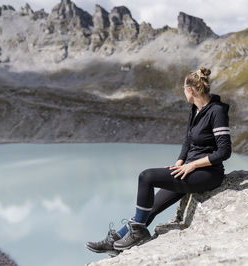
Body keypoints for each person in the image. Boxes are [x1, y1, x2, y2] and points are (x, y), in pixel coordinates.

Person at [86, 66, 232, 256]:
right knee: (151, 206)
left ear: (191, 90)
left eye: (183, 89)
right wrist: (180, 161)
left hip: (208, 174)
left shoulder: (217, 111)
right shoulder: (195, 109)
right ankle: (115, 242)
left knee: (146, 177)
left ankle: (138, 233)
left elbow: (224, 152)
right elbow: (188, 140)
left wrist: (193, 164)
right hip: (188, 170)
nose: (183, 92)